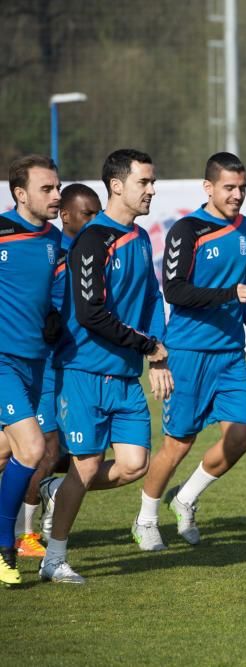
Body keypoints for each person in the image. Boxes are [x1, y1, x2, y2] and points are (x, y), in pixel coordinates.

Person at [38, 149, 173, 584]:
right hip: (82, 374)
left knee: (135, 464)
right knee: (87, 466)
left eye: (153, 182)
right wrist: (146, 345)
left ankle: (57, 490)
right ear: (117, 185)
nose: (152, 190)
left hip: (125, 375)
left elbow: (152, 297)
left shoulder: (140, 237)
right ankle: (54, 559)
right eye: (144, 182)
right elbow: (92, 313)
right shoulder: (92, 241)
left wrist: (158, 353)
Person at [132, 151, 246, 551]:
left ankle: (185, 499)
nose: (237, 195)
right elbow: (175, 290)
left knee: (240, 437)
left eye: (242, 188)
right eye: (229, 188)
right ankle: (146, 519)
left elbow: (238, 279)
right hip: (188, 352)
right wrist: (230, 294)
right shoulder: (187, 230)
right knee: (178, 444)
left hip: (230, 354)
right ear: (208, 187)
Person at [11, 183, 101, 559]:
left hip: (78, 367)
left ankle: (41, 499)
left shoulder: (94, 255)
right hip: (44, 365)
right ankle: (22, 533)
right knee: (42, 449)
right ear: (66, 215)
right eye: (88, 214)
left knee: (63, 453)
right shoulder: (52, 253)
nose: (95, 220)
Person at [0, 155, 63, 585]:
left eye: (58, 187)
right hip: (1, 360)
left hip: (35, 361)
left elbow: (56, 291)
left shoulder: (54, 238)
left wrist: (55, 315)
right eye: (47, 189)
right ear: (21, 194)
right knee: (32, 448)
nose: (57, 195)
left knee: (7, 452)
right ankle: (6, 545)